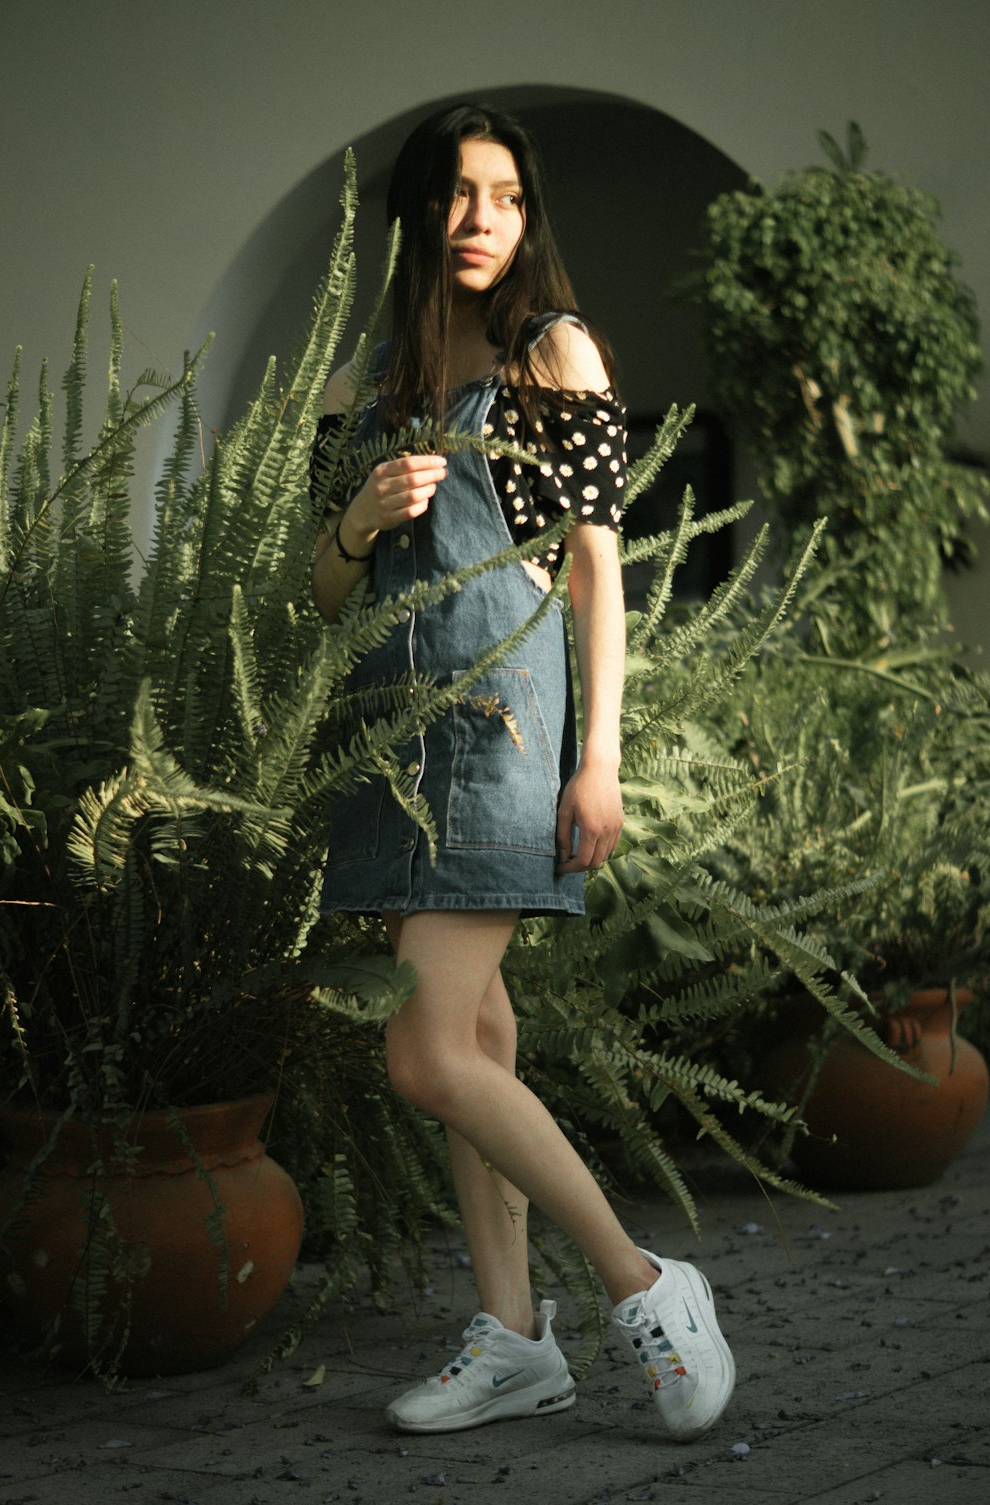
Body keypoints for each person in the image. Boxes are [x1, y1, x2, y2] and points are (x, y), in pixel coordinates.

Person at [310, 102, 735, 1440]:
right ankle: (511, 1336)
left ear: (524, 218)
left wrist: (598, 756)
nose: (483, 217)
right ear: (414, 214)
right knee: (481, 1035)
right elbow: (322, 595)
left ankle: (648, 1284)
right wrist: (357, 518)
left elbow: (601, 571)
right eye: (457, 193)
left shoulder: (552, 355)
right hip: (389, 751)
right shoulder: (367, 388)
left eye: (504, 196)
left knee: (427, 1048)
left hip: (500, 741)